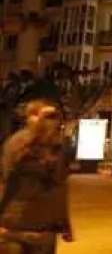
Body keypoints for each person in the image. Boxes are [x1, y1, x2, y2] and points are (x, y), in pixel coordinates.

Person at [0, 100, 74, 253]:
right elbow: (6, 182)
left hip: (44, 228)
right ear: (30, 118)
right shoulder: (17, 144)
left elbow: (60, 187)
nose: (51, 121)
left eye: (54, 117)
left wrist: (64, 222)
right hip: (16, 227)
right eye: (47, 116)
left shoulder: (58, 148)